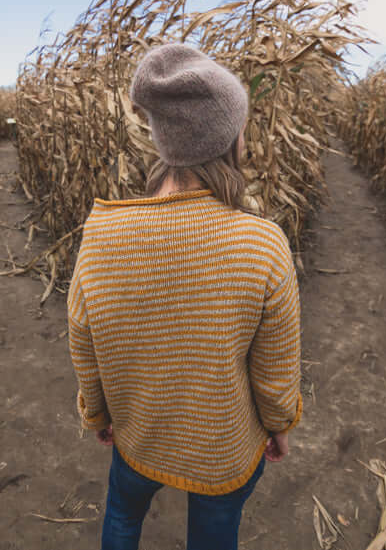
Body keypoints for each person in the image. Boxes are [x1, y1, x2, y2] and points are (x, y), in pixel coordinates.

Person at [67, 43, 302, 550]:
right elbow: (275, 367)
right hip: (223, 449)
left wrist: (98, 413)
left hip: (138, 436)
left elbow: (84, 339)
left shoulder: (101, 235)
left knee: (122, 515)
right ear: (230, 138)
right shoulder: (263, 244)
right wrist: (279, 425)